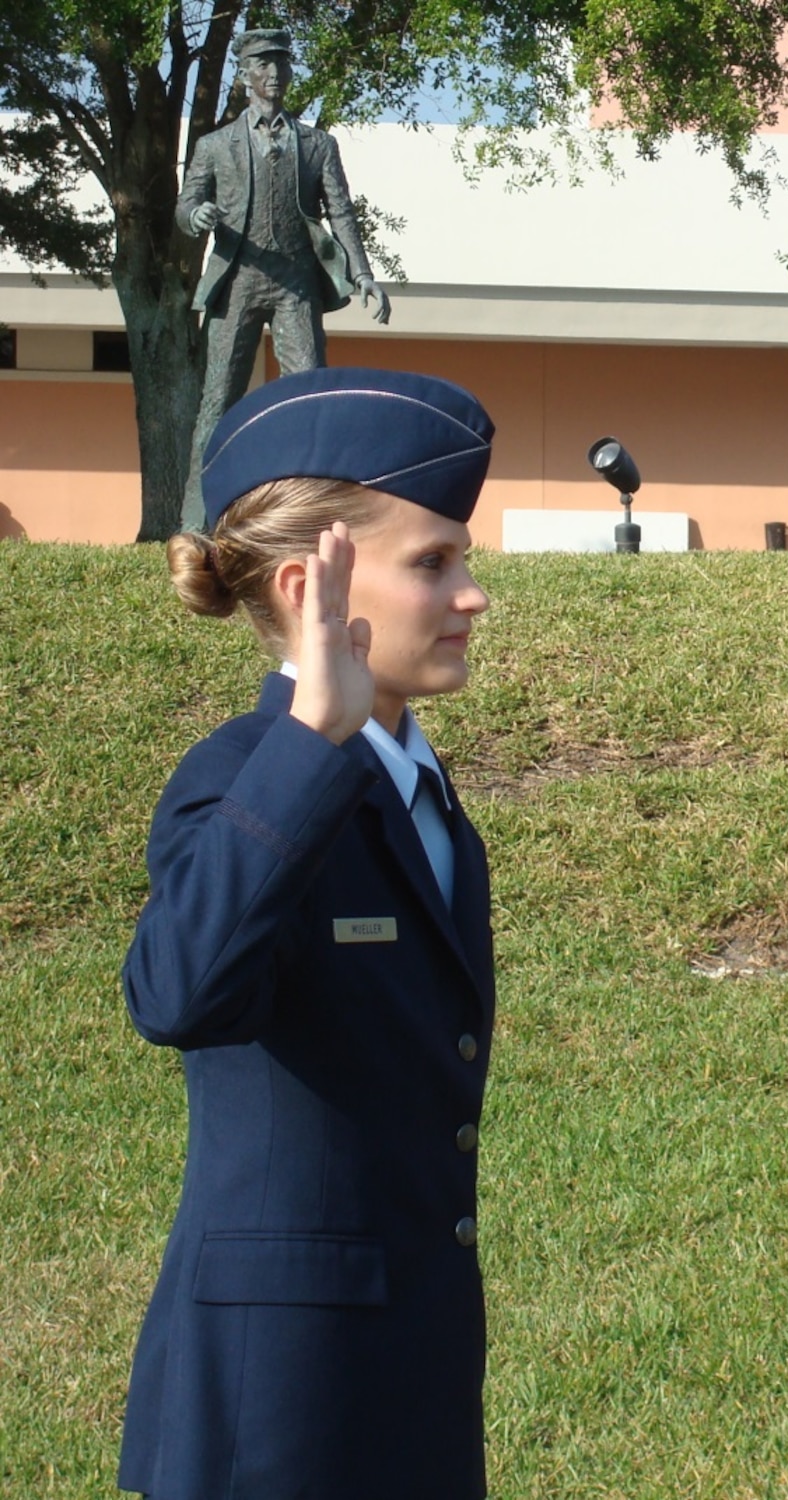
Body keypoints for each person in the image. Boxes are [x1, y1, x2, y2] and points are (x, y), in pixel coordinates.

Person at [118, 367, 497, 1499]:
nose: (471, 594)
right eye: (433, 562)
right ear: (306, 585)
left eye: (461, 560)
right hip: (274, 1405)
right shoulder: (242, 779)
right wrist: (309, 741)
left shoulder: (423, 790)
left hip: (408, 1374)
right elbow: (174, 996)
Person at [175, 28, 391, 530]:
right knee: (217, 402)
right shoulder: (215, 145)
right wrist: (197, 216)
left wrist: (362, 273)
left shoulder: (318, 145)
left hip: (296, 285)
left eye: (282, 66)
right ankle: (194, 523)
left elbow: (342, 213)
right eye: (264, 66)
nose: (274, 75)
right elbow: (185, 204)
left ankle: (308, 519)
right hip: (238, 282)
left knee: (309, 398)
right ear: (245, 74)